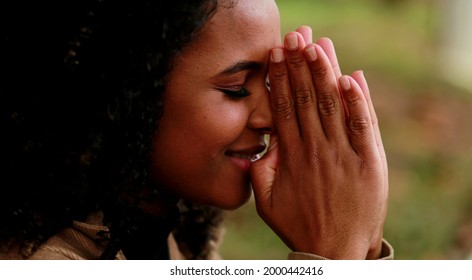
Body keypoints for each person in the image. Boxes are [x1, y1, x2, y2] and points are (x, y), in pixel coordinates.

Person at [0, 0, 392, 260]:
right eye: (236, 89)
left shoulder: (179, 235)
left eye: (271, 83)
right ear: (129, 91)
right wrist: (333, 255)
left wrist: (363, 245)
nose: (272, 118)